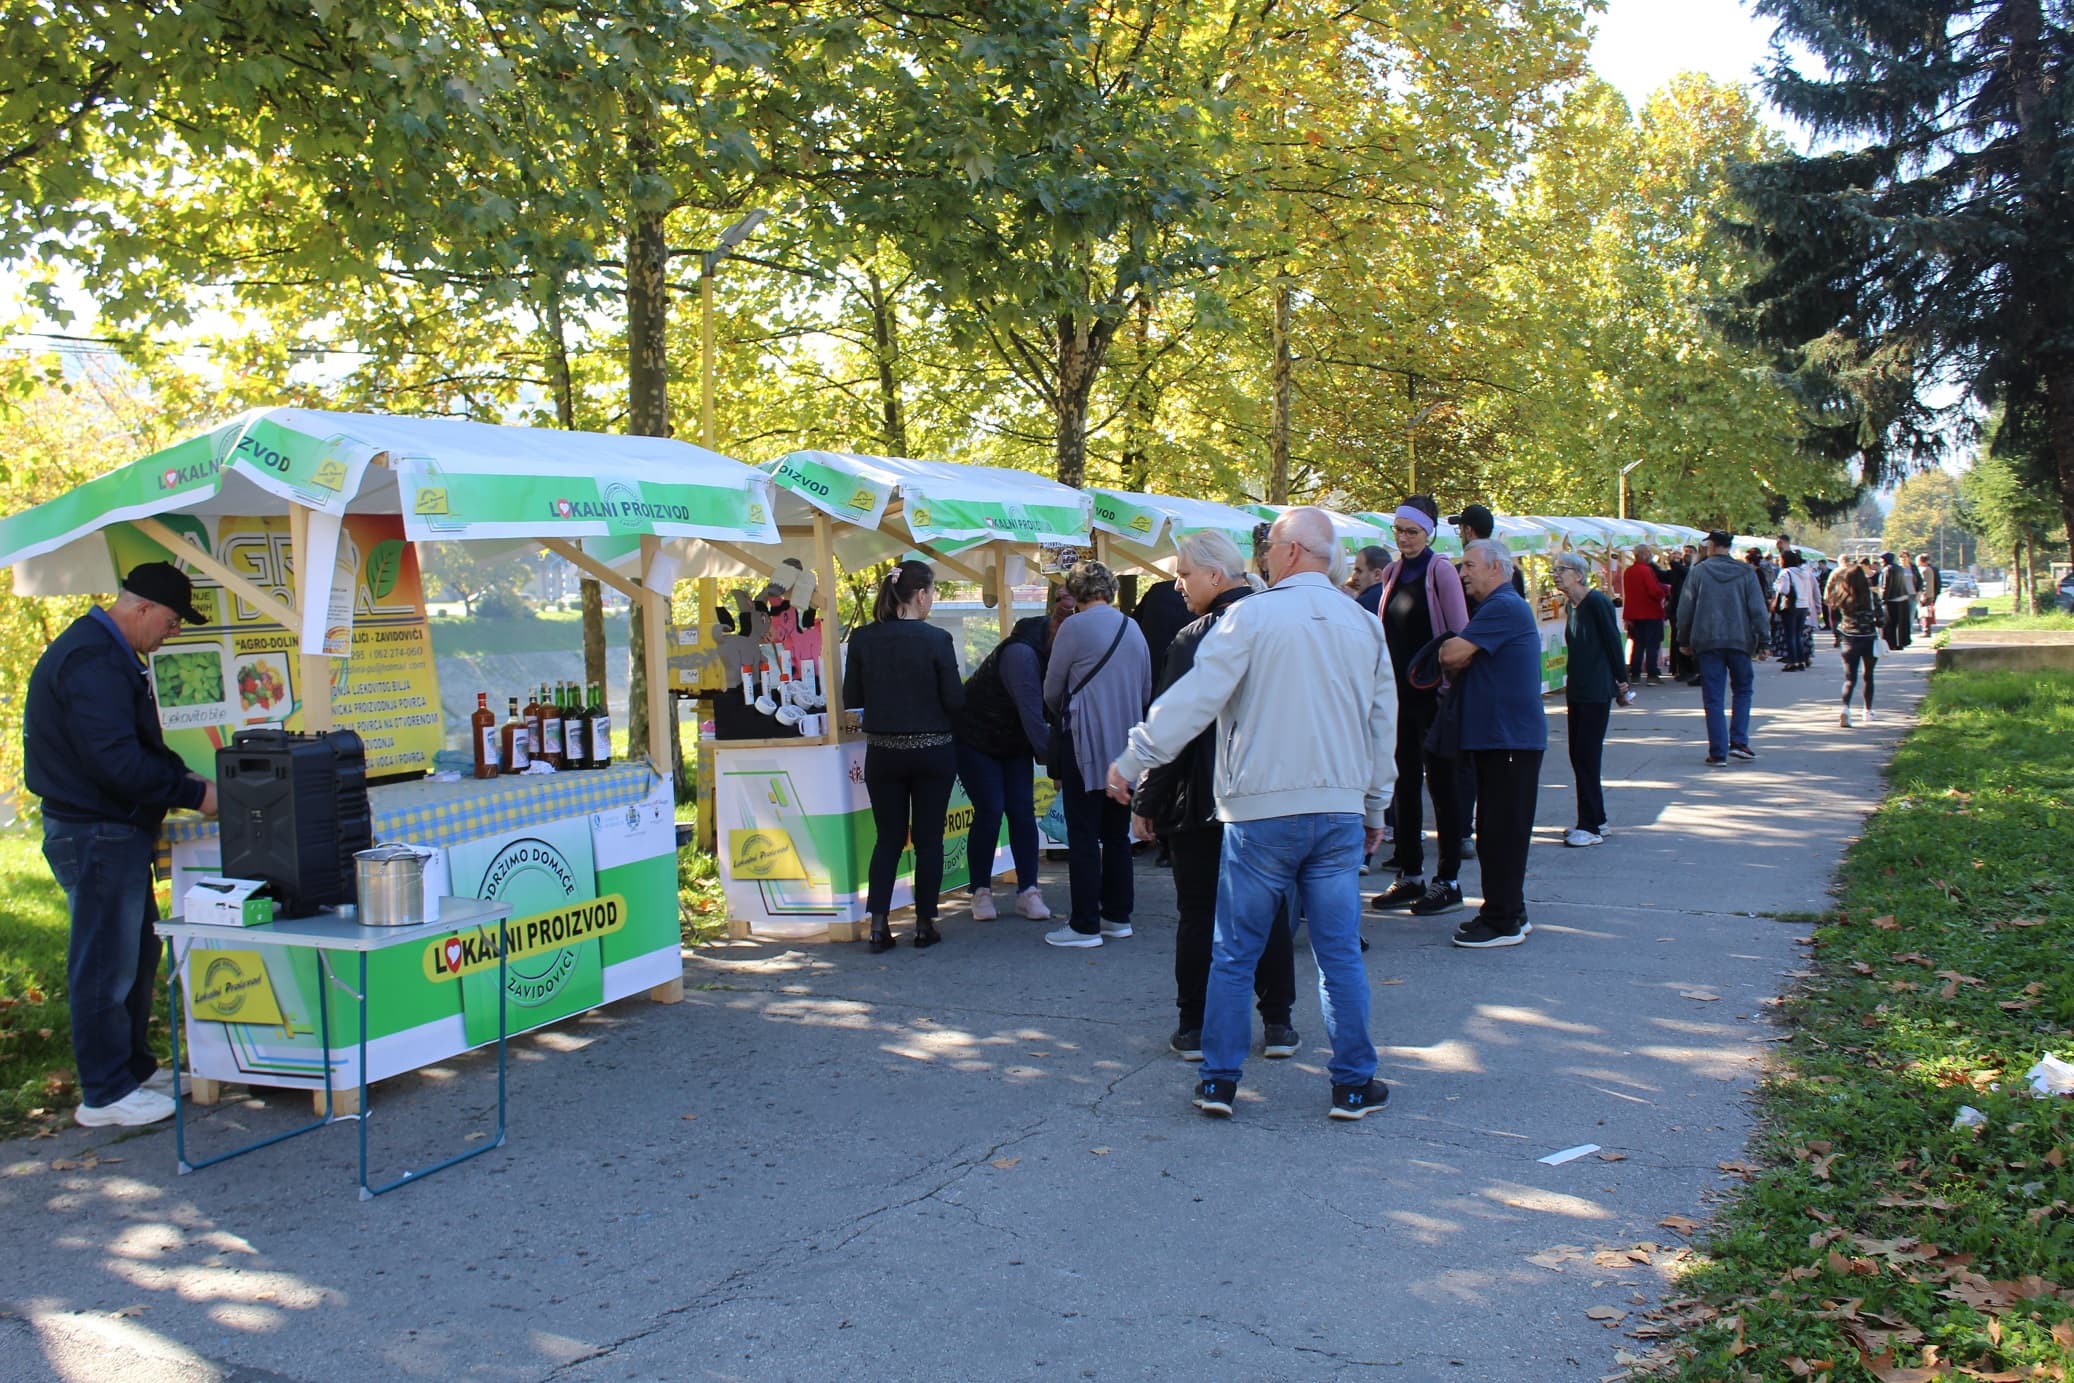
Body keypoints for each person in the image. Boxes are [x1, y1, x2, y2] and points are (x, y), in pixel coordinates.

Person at [1108, 507, 1396, 1120]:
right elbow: (1380, 722)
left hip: (1260, 809)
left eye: (1268, 544)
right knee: (1337, 951)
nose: (1262, 554)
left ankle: (1219, 1079)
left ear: (1290, 552)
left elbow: (1194, 700)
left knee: (1234, 950)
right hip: (1339, 806)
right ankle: (1351, 1083)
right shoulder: (1361, 623)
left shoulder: (1249, 618)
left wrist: (1134, 759)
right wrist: (1376, 801)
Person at [25, 560, 220, 1128]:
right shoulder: (92, 661)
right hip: (95, 831)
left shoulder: (107, 654)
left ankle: (132, 1070)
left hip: (112, 830)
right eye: (172, 621)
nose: (173, 633)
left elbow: (135, 749)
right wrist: (191, 792)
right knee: (105, 963)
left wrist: (192, 781)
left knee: (136, 954)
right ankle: (105, 1093)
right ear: (141, 610)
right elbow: (115, 762)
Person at [1128, 531, 1298, 1063]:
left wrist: (1146, 802)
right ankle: (1278, 1022)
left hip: (1206, 797)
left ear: (1215, 576)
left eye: (1183, 574)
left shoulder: (1196, 637)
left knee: (1200, 911)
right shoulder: (1281, 625)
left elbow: (1172, 730)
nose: (1177, 584)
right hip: (1271, 793)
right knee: (1266, 909)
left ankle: (1195, 1024)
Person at [843, 560, 966, 952]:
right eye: (932, 592)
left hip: (883, 753)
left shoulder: (862, 640)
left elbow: (853, 701)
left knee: (889, 839)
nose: (932, 600)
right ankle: (925, 923)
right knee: (929, 839)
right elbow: (955, 700)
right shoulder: (937, 640)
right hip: (933, 753)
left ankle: (878, 924)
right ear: (919, 595)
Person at [1437, 540, 1548, 947]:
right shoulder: (1500, 607)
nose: (1462, 572)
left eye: (1469, 565)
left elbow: (1451, 654)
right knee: (1500, 828)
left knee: (1500, 831)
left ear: (1496, 569)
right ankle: (1509, 910)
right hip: (1504, 739)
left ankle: (1501, 920)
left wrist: (1459, 651)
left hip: (1509, 740)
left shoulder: (1502, 606)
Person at [1369, 495, 1470, 918]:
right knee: (1403, 785)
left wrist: (1448, 687)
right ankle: (1410, 875)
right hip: (1399, 699)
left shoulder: (1439, 570)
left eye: (1411, 531)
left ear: (1428, 532)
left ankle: (1447, 880)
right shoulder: (1392, 573)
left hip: (1434, 698)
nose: (1404, 538)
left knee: (1443, 787)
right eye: (1398, 530)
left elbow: (1460, 635)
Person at [1042, 560, 1151, 948]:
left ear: (1077, 591)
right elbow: (1144, 690)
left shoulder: (1073, 627)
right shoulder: (1133, 628)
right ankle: (1117, 916)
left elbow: (1052, 690)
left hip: (1084, 741)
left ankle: (1085, 924)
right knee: (1117, 835)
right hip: (1126, 747)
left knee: (1083, 834)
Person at [953, 587, 1075, 924]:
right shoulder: (1021, 653)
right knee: (991, 809)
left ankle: (1028, 891)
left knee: (1022, 810)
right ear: (1056, 622)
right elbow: (1034, 717)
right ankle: (979, 890)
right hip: (975, 736)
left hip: (1012, 740)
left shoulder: (1060, 648)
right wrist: (1059, 768)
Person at [1551, 553, 1625, 848]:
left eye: (1562, 570)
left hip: (1596, 690)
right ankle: (1597, 818)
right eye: (1554, 569)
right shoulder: (1572, 606)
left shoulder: (1597, 603)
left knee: (1587, 757)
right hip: (1579, 689)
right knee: (1578, 756)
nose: (1556, 575)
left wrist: (1622, 681)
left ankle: (1590, 825)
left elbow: (1612, 642)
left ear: (1579, 575)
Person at [1677, 530, 1769, 766]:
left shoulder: (1699, 572)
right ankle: (1739, 741)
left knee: (1713, 697)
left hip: (1708, 640)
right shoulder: (1746, 572)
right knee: (1743, 691)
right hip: (1740, 639)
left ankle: (1718, 752)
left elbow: (1685, 609)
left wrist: (1684, 640)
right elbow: (1758, 608)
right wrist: (1764, 640)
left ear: (1712, 545)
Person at [1830, 561, 1881, 726]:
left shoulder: (1842, 596)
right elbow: (1881, 619)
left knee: (1850, 678)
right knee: (1868, 676)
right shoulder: (1871, 596)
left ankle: (1845, 709)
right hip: (1868, 638)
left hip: (1849, 639)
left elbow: (1834, 617)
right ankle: (1867, 711)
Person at [1620, 544, 1670, 684]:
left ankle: (1635, 674)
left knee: (1638, 645)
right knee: (1652, 645)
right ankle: (1652, 675)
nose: (1650, 556)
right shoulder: (1646, 571)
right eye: (1648, 553)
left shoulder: (1628, 571)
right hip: (1650, 612)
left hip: (1634, 613)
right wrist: (1665, 592)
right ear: (1643, 554)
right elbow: (1654, 591)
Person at [1772, 549, 1819, 671]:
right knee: (1798, 635)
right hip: (1803, 605)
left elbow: (1784, 589)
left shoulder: (1785, 573)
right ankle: (1801, 660)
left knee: (1790, 635)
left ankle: (1792, 661)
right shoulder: (1804, 573)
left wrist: (1776, 585)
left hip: (1791, 606)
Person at [1879, 552, 1915, 650]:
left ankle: (1891, 643)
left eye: (1881, 559)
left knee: (1890, 623)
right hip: (1902, 597)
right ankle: (1900, 643)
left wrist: (1883, 599)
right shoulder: (1899, 568)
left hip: (1892, 599)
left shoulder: (1887, 569)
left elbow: (1886, 586)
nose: (1880, 561)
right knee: (1900, 623)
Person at [1351, 544, 1391, 616]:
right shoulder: (1397, 596)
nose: (1354, 577)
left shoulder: (1364, 603)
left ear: (1377, 575)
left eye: (1359, 571)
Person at [1916, 554, 1941, 638]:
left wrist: (1923, 594)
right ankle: (1926, 630)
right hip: (1929, 594)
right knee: (1926, 613)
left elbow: (1925, 584)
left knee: (1925, 613)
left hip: (1925, 595)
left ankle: (1926, 631)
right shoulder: (1929, 569)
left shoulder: (1924, 570)